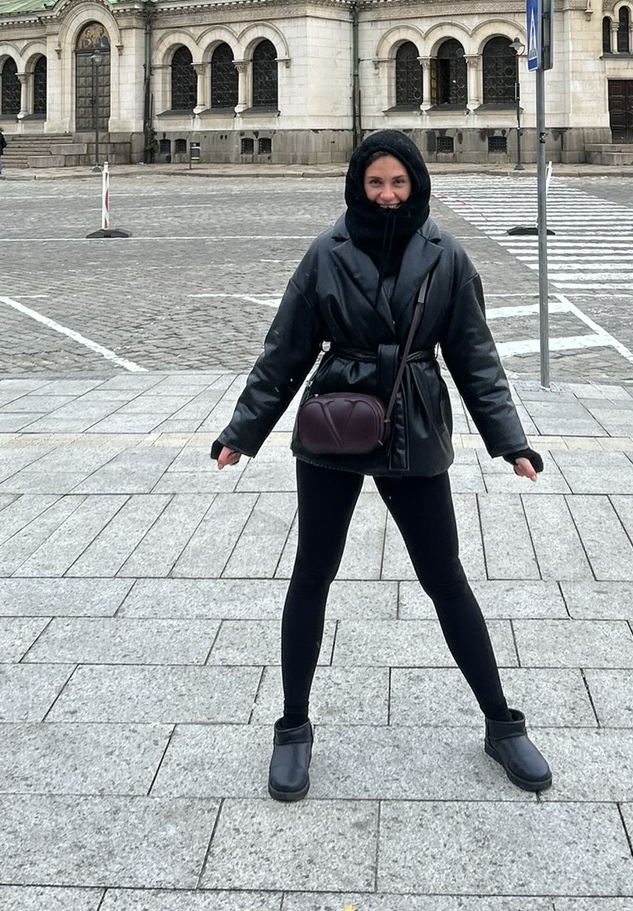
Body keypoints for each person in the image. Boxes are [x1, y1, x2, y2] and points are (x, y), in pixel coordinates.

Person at [213, 129, 551, 803]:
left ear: (417, 185)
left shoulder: (446, 256)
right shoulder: (326, 253)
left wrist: (509, 439)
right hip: (335, 422)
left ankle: (501, 722)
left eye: (399, 183)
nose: (389, 196)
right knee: (312, 573)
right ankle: (293, 728)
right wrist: (242, 432)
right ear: (357, 186)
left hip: (415, 424)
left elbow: (476, 358)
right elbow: (284, 349)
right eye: (376, 183)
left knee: (445, 577)